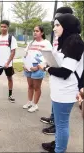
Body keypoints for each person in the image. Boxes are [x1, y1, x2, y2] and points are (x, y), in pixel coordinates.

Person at [39, 14, 84, 153]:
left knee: (62, 124)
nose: (54, 28)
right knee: (60, 124)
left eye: (58, 25)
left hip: (66, 91)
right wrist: (48, 61)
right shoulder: (67, 41)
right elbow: (61, 62)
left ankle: (59, 150)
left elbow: (65, 72)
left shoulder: (74, 43)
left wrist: (46, 68)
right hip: (60, 90)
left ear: (68, 25)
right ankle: (58, 146)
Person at [40, 6, 74, 139]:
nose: (55, 22)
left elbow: (67, 66)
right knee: (55, 98)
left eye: (59, 17)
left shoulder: (71, 38)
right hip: (55, 69)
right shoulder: (58, 34)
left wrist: (49, 68)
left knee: (62, 121)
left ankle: (56, 125)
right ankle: (53, 118)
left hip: (64, 78)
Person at [22, 25, 52, 112]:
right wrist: (25, 64)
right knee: (30, 86)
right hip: (29, 68)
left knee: (37, 87)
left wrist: (38, 67)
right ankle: (30, 102)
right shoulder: (31, 43)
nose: (35, 32)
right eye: (34, 31)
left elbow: (48, 58)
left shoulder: (46, 43)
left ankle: (35, 105)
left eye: (37, 31)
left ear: (42, 33)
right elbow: (26, 55)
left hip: (38, 68)